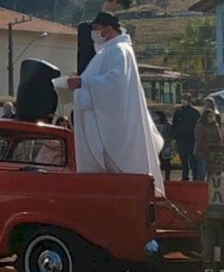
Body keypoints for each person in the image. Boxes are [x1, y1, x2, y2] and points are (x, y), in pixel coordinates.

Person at [68, 11, 165, 196]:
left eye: (96, 28)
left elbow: (116, 83)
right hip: (112, 121)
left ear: (108, 28)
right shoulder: (108, 51)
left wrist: (83, 83)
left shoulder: (119, 51)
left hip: (119, 129)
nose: (94, 33)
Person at [172, 94, 201, 181]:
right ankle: (185, 176)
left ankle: (195, 177)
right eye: (182, 99)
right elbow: (174, 125)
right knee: (184, 160)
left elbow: (198, 126)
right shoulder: (178, 112)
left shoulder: (195, 112)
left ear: (190, 100)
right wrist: (176, 135)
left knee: (193, 160)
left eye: (185, 99)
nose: (183, 101)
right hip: (181, 140)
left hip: (192, 140)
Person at [193, 108, 221, 182]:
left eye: (212, 116)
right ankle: (199, 189)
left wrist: (217, 147)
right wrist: (208, 149)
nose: (211, 118)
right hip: (201, 153)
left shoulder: (215, 125)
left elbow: (219, 138)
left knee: (212, 173)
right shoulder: (199, 126)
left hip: (213, 153)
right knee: (202, 173)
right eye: (209, 116)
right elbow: (199, 141)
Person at [152, 110, 173, 183]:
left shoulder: (167, 125)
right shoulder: (152, 125)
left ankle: (167, 178)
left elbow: (171, 134)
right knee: (158, 163)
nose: (154, 117)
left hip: (165, 147)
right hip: (156, 147)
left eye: (156, 116)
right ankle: (158, 178)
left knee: (167, 162)